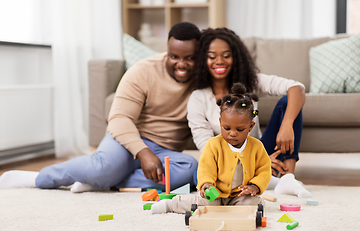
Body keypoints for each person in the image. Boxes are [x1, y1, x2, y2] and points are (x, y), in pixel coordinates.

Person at [0, 22, 201, 193]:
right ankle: (38, 178)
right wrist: (143, 152)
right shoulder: (143, 70)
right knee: (103, 168)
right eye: (174, 57)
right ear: (167, 51)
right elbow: (119, 118)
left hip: (165, 151)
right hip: (127, 140)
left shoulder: (204, 79)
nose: (181, 64)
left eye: (190, 58)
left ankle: (101, 182)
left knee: (189, 169)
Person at [187, 27, 311, 198]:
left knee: (287, 103)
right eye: (211, 56)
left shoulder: (250, 82)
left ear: (235, 57)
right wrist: (257, 163)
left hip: (257, 150)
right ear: (203, 59)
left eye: (226, 55)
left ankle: (288, 175)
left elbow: (296, 88)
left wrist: (287, 125)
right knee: (199, 175)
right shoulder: (197, 98)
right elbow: (206, 147)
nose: (219, 61)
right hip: (223, 162)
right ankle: (275, 180)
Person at [151, 83, 271, 214]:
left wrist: (254, 186)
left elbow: (264, 170)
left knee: (252, 204)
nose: (232, 133)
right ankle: (171, 204)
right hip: (216, 194)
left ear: (251, 126)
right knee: (203, 203)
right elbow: (205, 169)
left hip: (240, 195)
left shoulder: (257, 146)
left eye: (240, 129)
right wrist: (206, 184)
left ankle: (237, 207)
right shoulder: (213, 145)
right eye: (227, 128)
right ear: (220, 122)